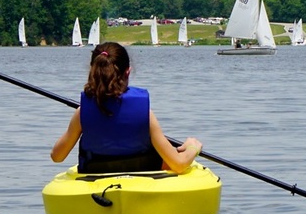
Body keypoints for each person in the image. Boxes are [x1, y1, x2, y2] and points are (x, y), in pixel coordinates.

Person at [50, 42, 202, 174]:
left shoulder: (81, 114)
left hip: (96, 182)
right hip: (142, 182)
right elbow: (179, 164)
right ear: (127, 72)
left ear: (93, 70)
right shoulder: (145, 115)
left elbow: (57, 157)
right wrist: (192, 148)